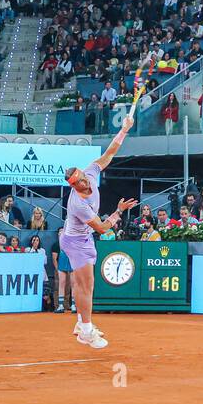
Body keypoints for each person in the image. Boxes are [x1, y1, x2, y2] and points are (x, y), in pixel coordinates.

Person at [60, 113, 139, 349]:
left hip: (80, 239)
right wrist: (118, 211)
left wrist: (124, 129)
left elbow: (109, 153)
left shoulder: (91, 173)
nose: (86, 181)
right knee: (86, 286)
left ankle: (80, 323)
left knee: (82, 285)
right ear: (74, 186)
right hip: (76, 242)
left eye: (84, 177)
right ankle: (86, 331)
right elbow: (103, 229)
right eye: (81, 181)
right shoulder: (78, 204)